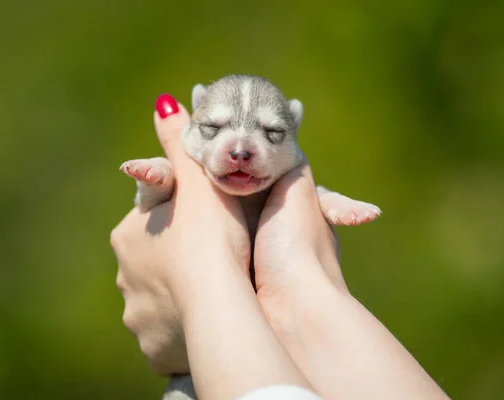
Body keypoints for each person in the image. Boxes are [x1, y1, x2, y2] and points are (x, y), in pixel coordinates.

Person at [110, 94, 450, 400]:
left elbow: (308, 204)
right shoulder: (188, 168)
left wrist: (327, 203)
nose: (240, 149)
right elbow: (153, 204)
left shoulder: (288, 191)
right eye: (214, 126)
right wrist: (162, 178)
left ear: (294, 127)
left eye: (272, 133)